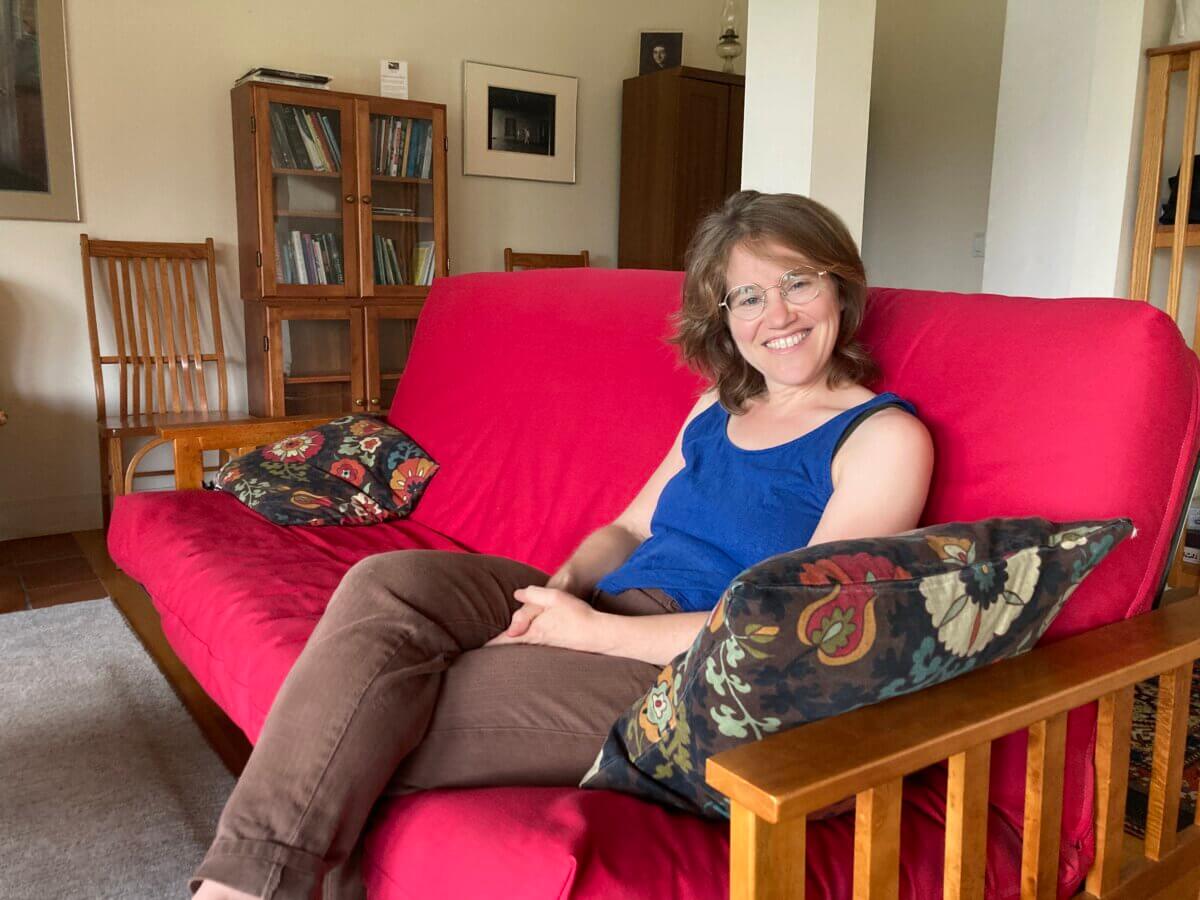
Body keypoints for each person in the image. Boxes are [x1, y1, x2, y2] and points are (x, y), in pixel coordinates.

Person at [193, 191, 935, 900]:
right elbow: (631, 527)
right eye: (748, 296)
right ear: (726, 315)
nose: (776, 313)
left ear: (840, 286)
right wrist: (563, 587)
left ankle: (240, 889)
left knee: (380, 723)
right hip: (610, 608)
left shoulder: (880, 439)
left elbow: (790, 635)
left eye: (797, 283)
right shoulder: (718, 407)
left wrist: (595, 635)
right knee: (389, 582)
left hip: (698, 678)